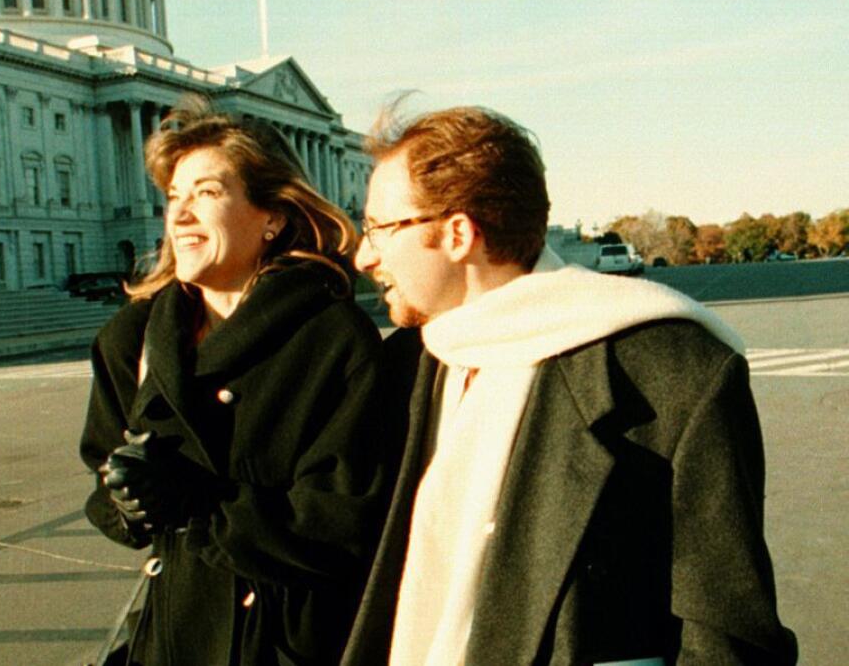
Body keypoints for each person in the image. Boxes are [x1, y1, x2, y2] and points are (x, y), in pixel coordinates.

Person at [341, 105, 798, 665]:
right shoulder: (407, 367)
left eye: (379, 229)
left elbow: (730, 640)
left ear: (458, 233)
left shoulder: (673, 374)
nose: (363, 256)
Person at [80, 97, 387, 665]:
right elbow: (103, 481)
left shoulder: (333, 340)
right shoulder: (133, 337)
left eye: (207, 193)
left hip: (287, 645)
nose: (180, 215)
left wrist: (200, 501)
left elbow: (345, 526)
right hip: (172, 639)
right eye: (174, 197)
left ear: (272, 216)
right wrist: (127, 501)